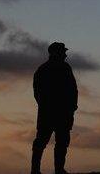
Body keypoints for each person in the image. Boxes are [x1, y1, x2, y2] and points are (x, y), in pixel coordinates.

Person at [31, 42, 78, 174]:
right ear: (55, 53)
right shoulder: (44, 70)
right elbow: (38, 93)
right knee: (41, 142)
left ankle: (58, 170)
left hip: (61, 113)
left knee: (61, 142)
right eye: (63, 52)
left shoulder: (64, 68)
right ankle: (36, 171)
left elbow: (73, 89)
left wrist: (72, 106)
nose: (65, 54)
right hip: (50, 113)